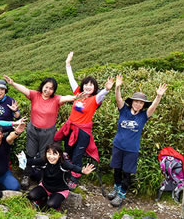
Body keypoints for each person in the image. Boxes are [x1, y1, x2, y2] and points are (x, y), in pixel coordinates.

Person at [3, 75, 77, 189]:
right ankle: (26, 175)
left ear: (54, 90)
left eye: (51, 88)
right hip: (33, 130)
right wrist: (12, 83)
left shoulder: (56, 99)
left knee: (45, 155)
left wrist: (76, 97)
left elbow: (66, 98)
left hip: (48, 132)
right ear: (42, 86)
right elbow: (25, 89)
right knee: (30, 153)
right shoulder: (35, 95)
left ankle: (43, 179)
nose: (48, 90)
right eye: (46, 87)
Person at [54, 52, 114, 189]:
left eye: (91, 85)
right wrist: (68, 63)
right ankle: (67, 171)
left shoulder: (95, 99)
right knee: (67, 151)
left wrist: (106, 89)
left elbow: (102, 94)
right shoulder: (78, 94)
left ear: (94, 88)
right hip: (71, 128)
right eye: (86, 84)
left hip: (83, 132)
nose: (87, 87)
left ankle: (75, 178)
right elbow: (71, 79)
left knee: (77, 154)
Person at [107, 75, 167, 206]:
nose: (138, 104)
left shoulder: (143, 116)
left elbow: (153, 108)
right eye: (136, 101)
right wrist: (117, 87)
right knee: (116, 169)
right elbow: (118, 99)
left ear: (143, 105)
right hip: (118, 146)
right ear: (132, 102)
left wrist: (158, 96)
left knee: (127, 173)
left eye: (141, 102)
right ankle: (116, 188)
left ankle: (121, 194)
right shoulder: (124, 110)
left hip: (131, 150)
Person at [26, 143, 95, 210]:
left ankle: (56, 203)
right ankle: (42, 199)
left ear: (59, 155)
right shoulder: (44, 161)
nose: (51, 157)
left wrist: (82, 171)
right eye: (49, 153)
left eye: (54, 154)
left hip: (60, 190)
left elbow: (73, 167)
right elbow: (32, 161)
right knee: (31, 195)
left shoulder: (63, 164)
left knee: (51, 205)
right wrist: (22, 158)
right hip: (45, 187)